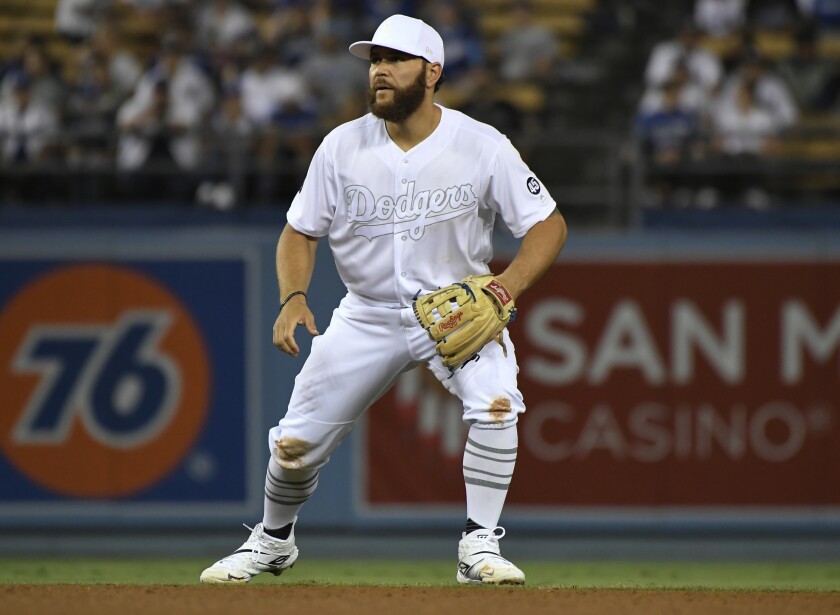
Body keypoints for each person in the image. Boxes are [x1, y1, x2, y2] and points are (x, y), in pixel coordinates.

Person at [199, 14, 567, 586]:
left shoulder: (481, 146)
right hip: (366, 314)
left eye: (395, 60)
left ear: (433, 71)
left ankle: (479, 546)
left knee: (496, 403)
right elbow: (299, 230)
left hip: (454, 310)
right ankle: (273, 541)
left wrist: (506, 288)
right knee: (295, 444)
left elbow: (547, 224)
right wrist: (292, 296)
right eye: (375, 60)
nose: (380, 71)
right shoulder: (342, 146)